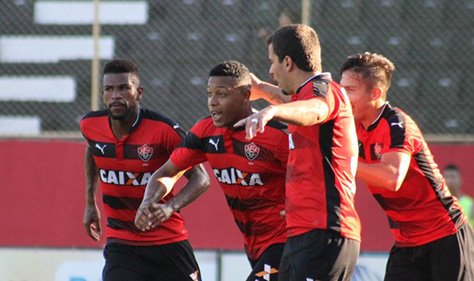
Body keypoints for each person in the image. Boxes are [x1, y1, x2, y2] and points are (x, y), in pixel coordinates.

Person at [135, 60, 289, 281]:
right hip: (255, 246)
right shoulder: (205, 131)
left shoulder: (277, 134)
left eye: (222, 94)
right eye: (209, 94)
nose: (213, 102)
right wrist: (148, 201)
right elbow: (167, 172)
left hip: (288, 242)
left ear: (246, 95)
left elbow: (312, 179)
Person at [339, 52, 474, 281]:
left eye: (350, 90)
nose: (343, 98)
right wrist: (268, 95)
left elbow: (392, 178)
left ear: (375, 93)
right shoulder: (351, 124)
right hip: (406, 242)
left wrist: (342, 160)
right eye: (341, 90)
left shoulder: (396, 122)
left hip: (445, 236)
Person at [235, 24, 360, 281]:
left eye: (272, 61)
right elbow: (294, 103)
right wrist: (262, 92)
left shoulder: (324, 91)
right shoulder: (304, 94)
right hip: (303, 233)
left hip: (325, 232)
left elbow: (313, 110)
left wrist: (271, 112)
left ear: (288, 62)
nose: (270, 70)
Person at [80, 59, 209, 281]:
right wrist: (91, 202)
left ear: (139, 92)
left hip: (167, 242)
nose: (116, 95)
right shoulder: (90, 125)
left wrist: (170, 207)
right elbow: (93, 150)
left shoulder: (164, 130)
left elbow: (201, 178)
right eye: (109, 89)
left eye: (123, 88)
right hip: (122, 243)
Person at [443, 163, 474, 247]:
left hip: (463, 255)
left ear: (460, 179)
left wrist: (471, 250)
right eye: (447, 177)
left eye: (453, 177)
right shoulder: (438, 203)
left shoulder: (470, 204)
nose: (450, 181)